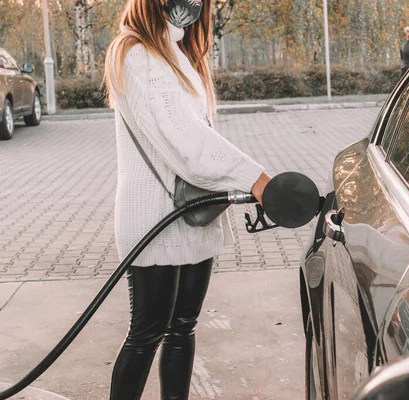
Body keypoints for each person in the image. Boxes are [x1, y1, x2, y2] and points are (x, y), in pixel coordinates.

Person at [103, 0, 271, 398]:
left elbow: (201, 134)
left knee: (182, 327)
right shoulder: (137, 54)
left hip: (194, 214)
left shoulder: (177, 52)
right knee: (147, 333)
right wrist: (257, 179)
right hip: (154, 219)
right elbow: (187, 144)